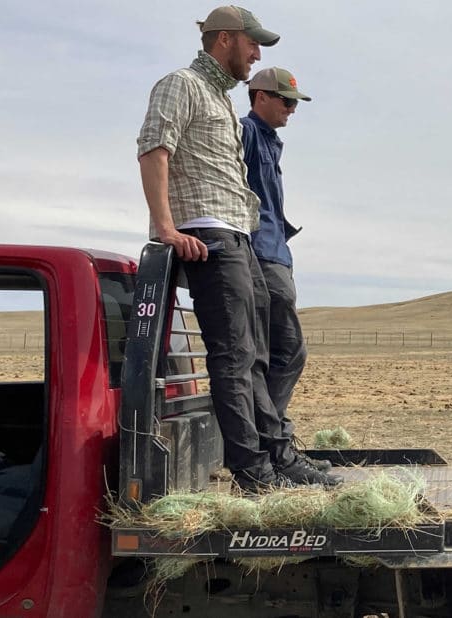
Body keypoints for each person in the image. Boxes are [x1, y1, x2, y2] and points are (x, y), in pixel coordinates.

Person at [136, 6, 340, 492]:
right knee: (232, 356)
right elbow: (153, 148)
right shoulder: (180, 84)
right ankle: (254, 473)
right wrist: (165, 228)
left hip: (239, 236)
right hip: (207, 233)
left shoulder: (220, 101)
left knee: (256, 355)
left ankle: (275, 454)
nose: (256, 54)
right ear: (225, 39)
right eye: (253, 44)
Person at [240, 67, 331, 472]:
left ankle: (275, 445)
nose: (292, 109)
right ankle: (275, 448)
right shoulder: (244, 132)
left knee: (280, 353)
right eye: (286, 100)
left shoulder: (269, 141)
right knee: (282, 352)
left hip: (275, 253)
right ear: (260, 97)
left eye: (294, 103)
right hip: (260, 254)